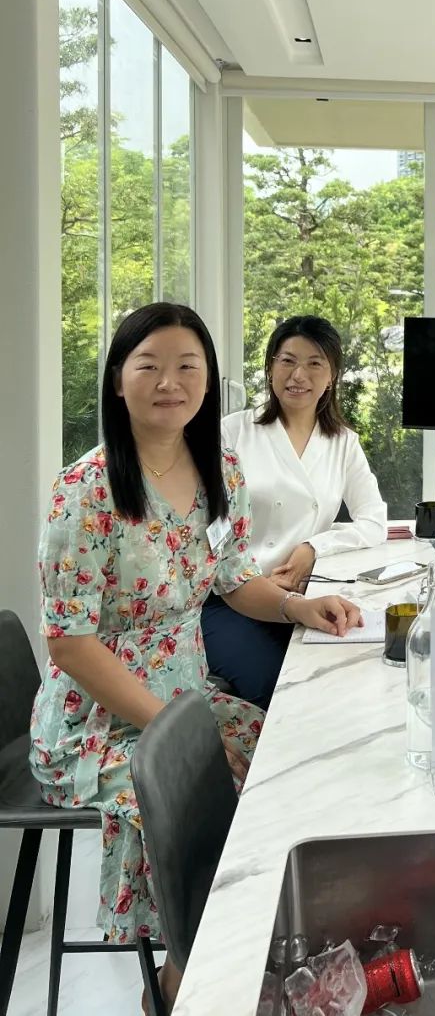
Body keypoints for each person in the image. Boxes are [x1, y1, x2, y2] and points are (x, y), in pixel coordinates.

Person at [29, 303, 361, 1006]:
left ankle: (262, 957)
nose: (169, 382)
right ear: (118, 379)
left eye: (187, 366)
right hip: (99, 723)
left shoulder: (219, 469)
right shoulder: (85, 490)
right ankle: (185, 986)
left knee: (291, 763)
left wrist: (297, 605)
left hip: (187, 698)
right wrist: (176, 731)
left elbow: (233, 578)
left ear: (208, 381)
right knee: (207, 801)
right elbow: (69, 641)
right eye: (148, 365)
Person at [204, 315, 386, 708]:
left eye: (314, 363)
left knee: (349, 675)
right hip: (227, 598)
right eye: (287, 361)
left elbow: (374, 522)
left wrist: (312, 548)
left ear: (332, 376)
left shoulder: (343, 443)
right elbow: (209, 526)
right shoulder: (233, 432)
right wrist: (256, 579)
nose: (298, 375)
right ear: (270, 368)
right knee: (285, 694)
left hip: (301, 592)